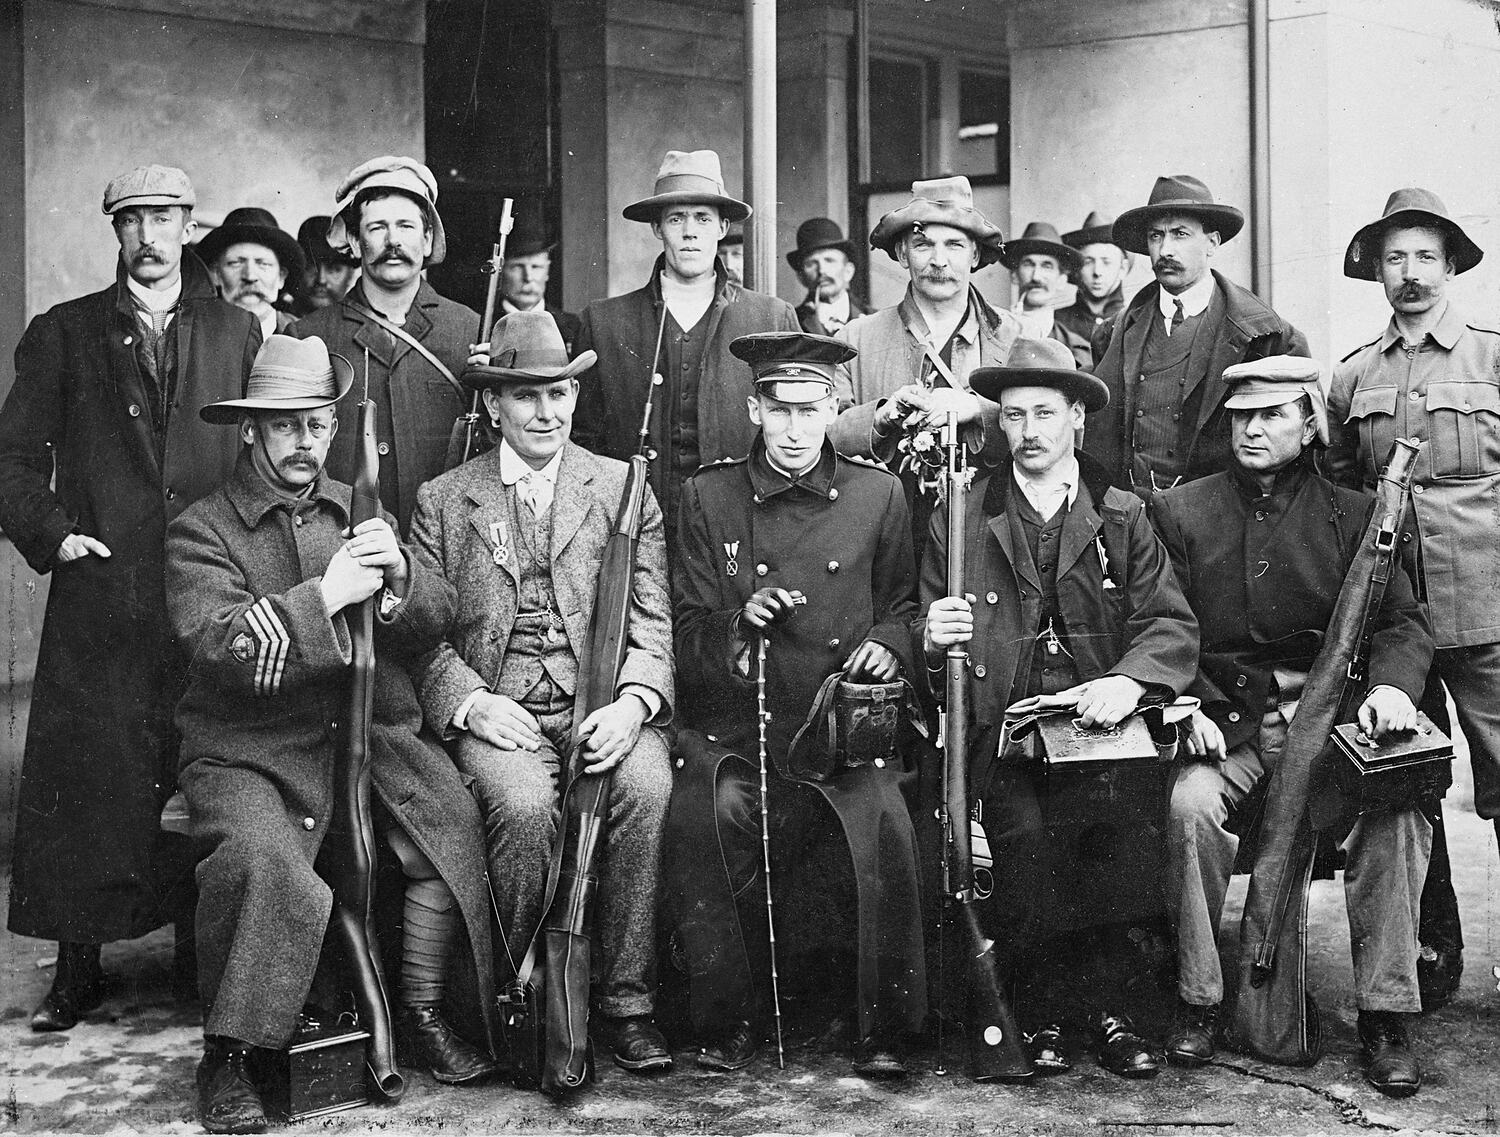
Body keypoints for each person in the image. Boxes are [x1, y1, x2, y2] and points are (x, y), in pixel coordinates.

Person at [167, 335, 499, 1133]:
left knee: (448, 821)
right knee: (262, 857)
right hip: (252, 751)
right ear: (250, 429)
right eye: (285, 425)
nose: (305, 442)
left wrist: (400, 577)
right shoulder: (202, 529)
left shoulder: (358, 504)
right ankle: (232, 1053)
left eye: (317, 424)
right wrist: (327, 595)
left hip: (369, 736)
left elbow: (434, 617)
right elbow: (226, 647)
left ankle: (418, 1010)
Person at [0, 164, 259, 1032]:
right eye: (132, 219)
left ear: (190, 225)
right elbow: (11, 460)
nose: (149, 235)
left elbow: (257, 455)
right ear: (115, 230)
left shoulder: (238, 331)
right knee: (88, 777)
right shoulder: (64, 331)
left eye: (164, 217)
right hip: (102, 593)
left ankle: (198, 954)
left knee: (204, 763)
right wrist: (54, 534)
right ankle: (76, 965)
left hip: (206, 587)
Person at [1153, 356, 1434, 1097]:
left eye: (1273, 414)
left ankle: (1386, 1012)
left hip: (1336, 719)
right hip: (1229, 719)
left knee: (1397, 816)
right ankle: (1199, 997)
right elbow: (1166, 624)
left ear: (1311, 425)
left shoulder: (1356, 513)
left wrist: (1392, 690)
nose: (1252, 429)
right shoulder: (1183, 510)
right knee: (1190, 807)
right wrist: (1188, 703)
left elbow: (1402, 622)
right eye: (1241, 415)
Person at [920, 338, 1198, 1079]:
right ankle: (1040, 1013)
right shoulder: (962, 513)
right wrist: (933, 632)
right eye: (1014, 415)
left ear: (1077, 417)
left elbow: (1168, 622)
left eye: (1046, 413)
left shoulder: (1121, 512)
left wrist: (1131, 681)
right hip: (1004, 731)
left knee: (1113, 841)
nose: (1029, 430)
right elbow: (924, 619)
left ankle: (1112, 1013)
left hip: (1100, 729)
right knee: (1024, 841)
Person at [409, 310, 677, 1075]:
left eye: (558, 393)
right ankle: (523, 1001)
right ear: (493, 404)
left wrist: (633, 705)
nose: (546, 411)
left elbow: (654, 621)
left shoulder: (621, 488)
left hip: (604, 704)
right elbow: (421, 637)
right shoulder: (443, 500)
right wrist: (470, 703)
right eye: (526, 396)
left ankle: (626, 1002)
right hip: (502, 712)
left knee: (645, 784)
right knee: (524, 805)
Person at [667, 332, 925, 1078]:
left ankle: (884, 1027)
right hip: (745, 727)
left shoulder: (879, 494)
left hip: (841, 727)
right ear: (754, 408)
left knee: (882, 816)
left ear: (834, 409)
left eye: (810, 411)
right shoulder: (707, 496)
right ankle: (727, 1018)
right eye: (779, 410)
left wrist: (888, 643)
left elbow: (905, 604)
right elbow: (684, 627)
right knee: (710, 805)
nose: (793, 429)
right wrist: (736, 624)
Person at [1327, 187, 1500, 1012]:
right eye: (1395, 257)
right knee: (1406, 783)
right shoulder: (1353, 374)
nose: (1410, 272)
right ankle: (1432, 950)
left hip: (1488, 612)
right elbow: (1339, 494)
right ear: (1377, 271)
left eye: (1426, 255)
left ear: (1451, 265)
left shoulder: (1492, 358)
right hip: (1396, 624)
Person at [572, 149, 799, 549]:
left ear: (723, 227)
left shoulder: (771, 318)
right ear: (657, 228)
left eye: (703, 218)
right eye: (676, 218)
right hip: (633, 536)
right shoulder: (604, 322)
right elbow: (581, 445)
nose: (690, 231)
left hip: (745, 533)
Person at [830, 175, 1019, 559]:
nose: (938, 260)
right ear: (902, 254)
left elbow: (1057, 434)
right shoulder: (854, 340)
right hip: (883, 544)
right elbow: (823, 437)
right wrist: (880, 418)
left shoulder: (1016, 338)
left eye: (954, 245)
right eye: (922, 244)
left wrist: (977, 410)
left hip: (992, 541)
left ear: (975, 255)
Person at [290, 156, 479, 534]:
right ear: (354, 242)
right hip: (342, 539)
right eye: (377, 227)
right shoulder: (309, 337)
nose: (393, 241)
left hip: (445, 542)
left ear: (427, 240)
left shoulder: (472, 330)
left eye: (406, 226)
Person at [1090, 175, 1309, 499]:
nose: (1165, 249)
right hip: (1130, 514)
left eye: (1180, 234)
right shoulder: (1113, 333)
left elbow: (1291, 454)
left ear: (1212, 243)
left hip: (1219, 515)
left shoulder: (1266, 336)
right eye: (1155, 236)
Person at [198, 206, 305, 340]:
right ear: (216, 274)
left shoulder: (306, 337)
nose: (250, 276)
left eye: (263, 264)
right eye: (236, 263)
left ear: (281, 277)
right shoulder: (194, 336)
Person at [1002, 221, 1092, 368]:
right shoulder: (991, 335)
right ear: (1014, 275)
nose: (1036, 277)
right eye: (1028, 264)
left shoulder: (1076, 350)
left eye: (1047, 266)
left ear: (1061, 280)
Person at [498, 217, 582, 353]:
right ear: (501, 272)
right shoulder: (480, 325)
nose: (528, 277)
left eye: (536, 267)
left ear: (547, 271)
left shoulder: (573, 327)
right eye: (517, 267)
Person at [1055, 211, 1130, 348]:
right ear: (1076, 269)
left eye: (1106, 262)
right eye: (1088, 262)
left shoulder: (1135, 322)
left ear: (1122, 269)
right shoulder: (1056, 322)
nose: (1097, 272)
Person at [786, 217, 872, 336]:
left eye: (829, 260)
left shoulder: (874, 319)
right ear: (801, 277)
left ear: (848, 271)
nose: (822, 271)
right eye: (811, 263)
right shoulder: (790, 323)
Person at [293, 215, 359, 315]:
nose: (321, 280)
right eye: (311, 267)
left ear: (350, 275)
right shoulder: (274, 321)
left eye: (334, 269)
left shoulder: (364, 323)